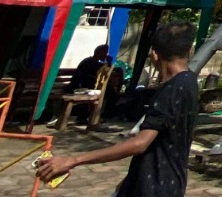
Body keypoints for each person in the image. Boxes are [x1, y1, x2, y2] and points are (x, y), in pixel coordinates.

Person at [36, 21, 198, 196]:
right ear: (189, 51)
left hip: (154, 188)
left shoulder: (172, 89)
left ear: (154, 55)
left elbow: (140, 143)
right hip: (165, 182)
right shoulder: (189, 82)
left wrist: (73, 160)